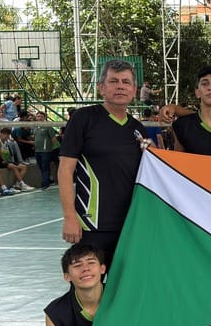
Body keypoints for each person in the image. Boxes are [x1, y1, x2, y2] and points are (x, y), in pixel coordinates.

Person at [58, 60, 148, 269]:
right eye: (113, 81)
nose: (120, 86)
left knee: (123, 291)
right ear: (101, 88)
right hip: (92, 226)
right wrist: (70, 216)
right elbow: (65, 170)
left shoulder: (138, 129)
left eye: (126, 82)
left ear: (134, 90)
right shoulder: (84, 119)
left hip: (129, 226)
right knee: (88, 289)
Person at [33, 111, 60, 189]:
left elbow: (53, 139)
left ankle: (45, 184)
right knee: (41, 166)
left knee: (45, 167)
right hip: (37, 151)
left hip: (46, 151)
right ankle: (48, 180)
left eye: (41, 116)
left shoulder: (48, 127)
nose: (39, 118)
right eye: (38, 116)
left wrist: (54, 149)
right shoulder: (35, 127)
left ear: (44, 117)